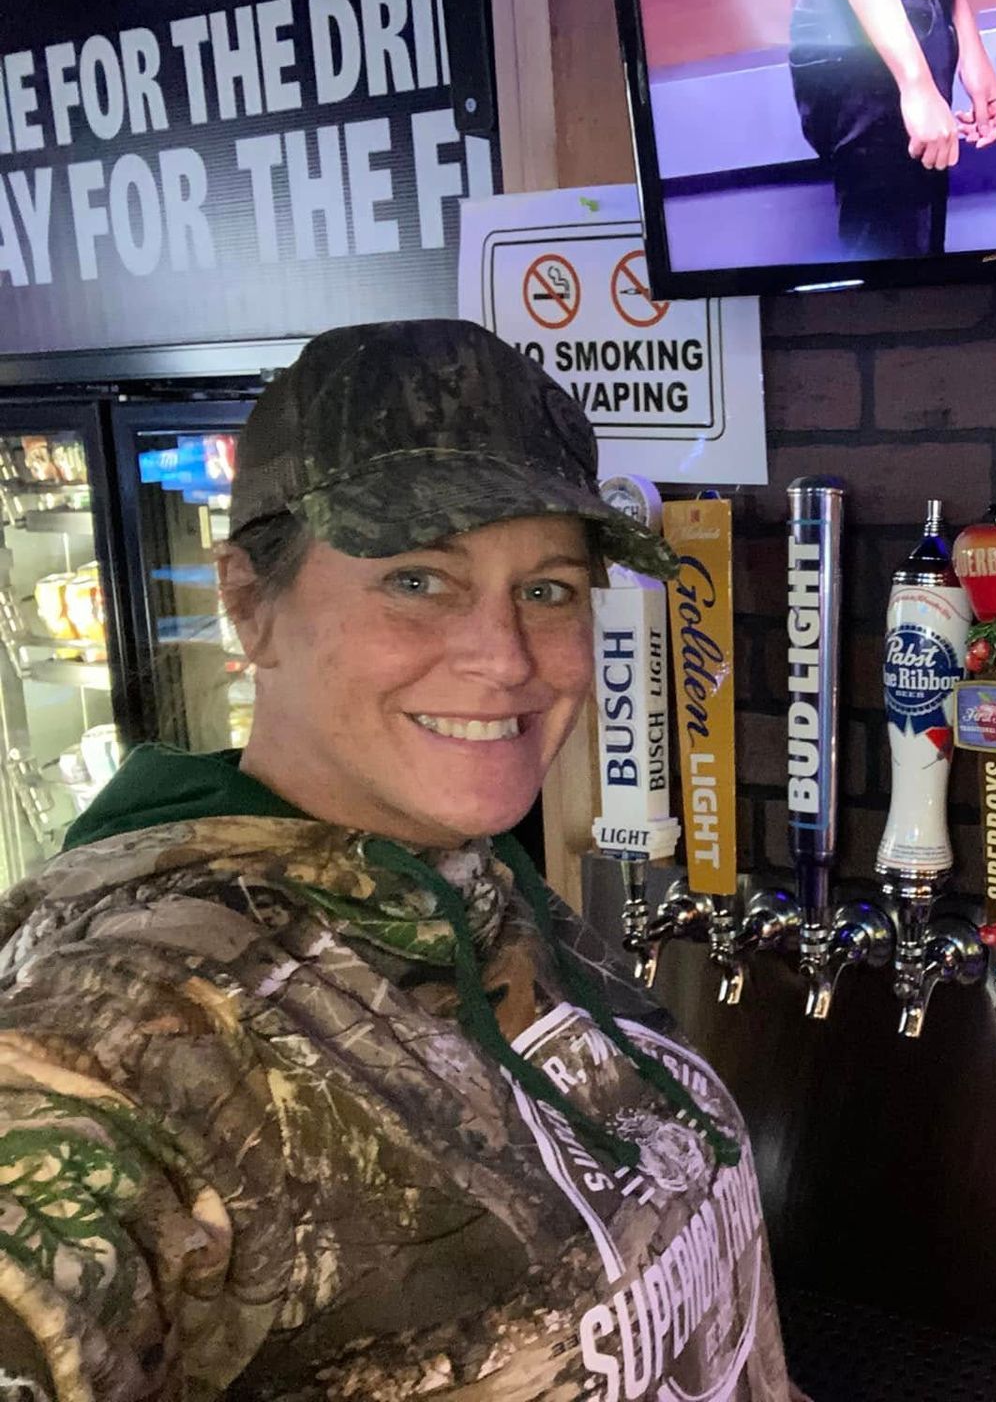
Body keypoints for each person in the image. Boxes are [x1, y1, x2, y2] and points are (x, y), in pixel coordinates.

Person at [0, 321, 797, 1400]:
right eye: (418, 580)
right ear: (249, 605)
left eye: (549, 589)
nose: (505, 658)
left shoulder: (475, 879)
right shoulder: (137, 1020)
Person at [787, 0, 996, 259]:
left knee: (916, 254)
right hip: (868, 20)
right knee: (894, 263)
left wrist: (967, 39)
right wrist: (915, 82)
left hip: (913, 9)